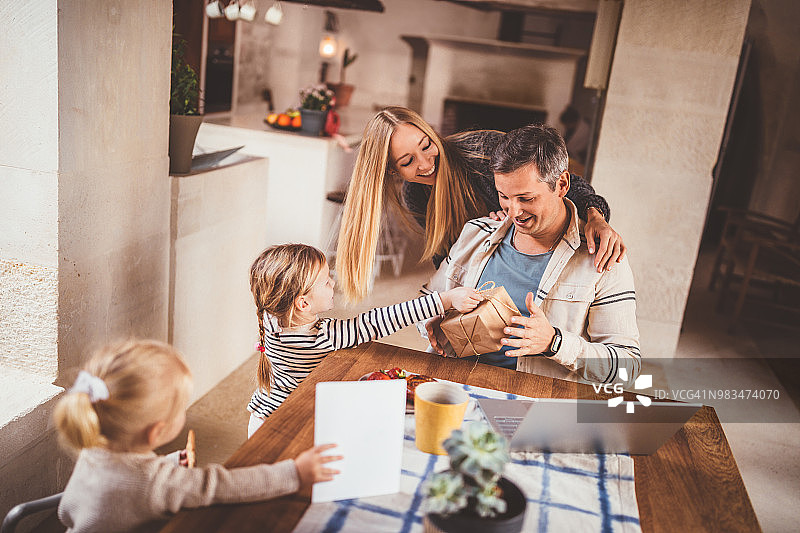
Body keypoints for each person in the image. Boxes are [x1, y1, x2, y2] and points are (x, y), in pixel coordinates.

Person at [336, 106, 626, 303]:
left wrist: (597, 217)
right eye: (408, 161)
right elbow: (447, 259)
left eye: (426, 145)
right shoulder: (415, 196)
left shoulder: (482, 149)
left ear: (432, 133)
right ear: (392, 171)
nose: (425, 164)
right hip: (483, 286)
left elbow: (564, 182)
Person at [422, 124, 640, 384]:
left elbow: (627, 369)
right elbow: (427, 301)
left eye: (526, 198)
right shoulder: (475, 233)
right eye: (504, 196)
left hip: (533, 404)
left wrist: (554, 343)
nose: (513, 212)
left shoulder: (602, 257)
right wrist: (434, 317)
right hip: (452, 387)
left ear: (561, 184)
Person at [54, 339, 342, 533]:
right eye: (181, 409)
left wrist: (168, 462)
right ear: (156, 431)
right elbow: (220, 485)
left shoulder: (93, 449)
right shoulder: (157, 482)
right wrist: (295, 473)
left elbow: (68, 512)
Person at [247, 243, 481, 437]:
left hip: (262, 414)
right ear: (303, 304)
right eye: (327, 282)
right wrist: (445, 299)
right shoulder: (322, 337)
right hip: (287, 424)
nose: (333, 284)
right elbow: (376, 322)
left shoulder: (270, 316)